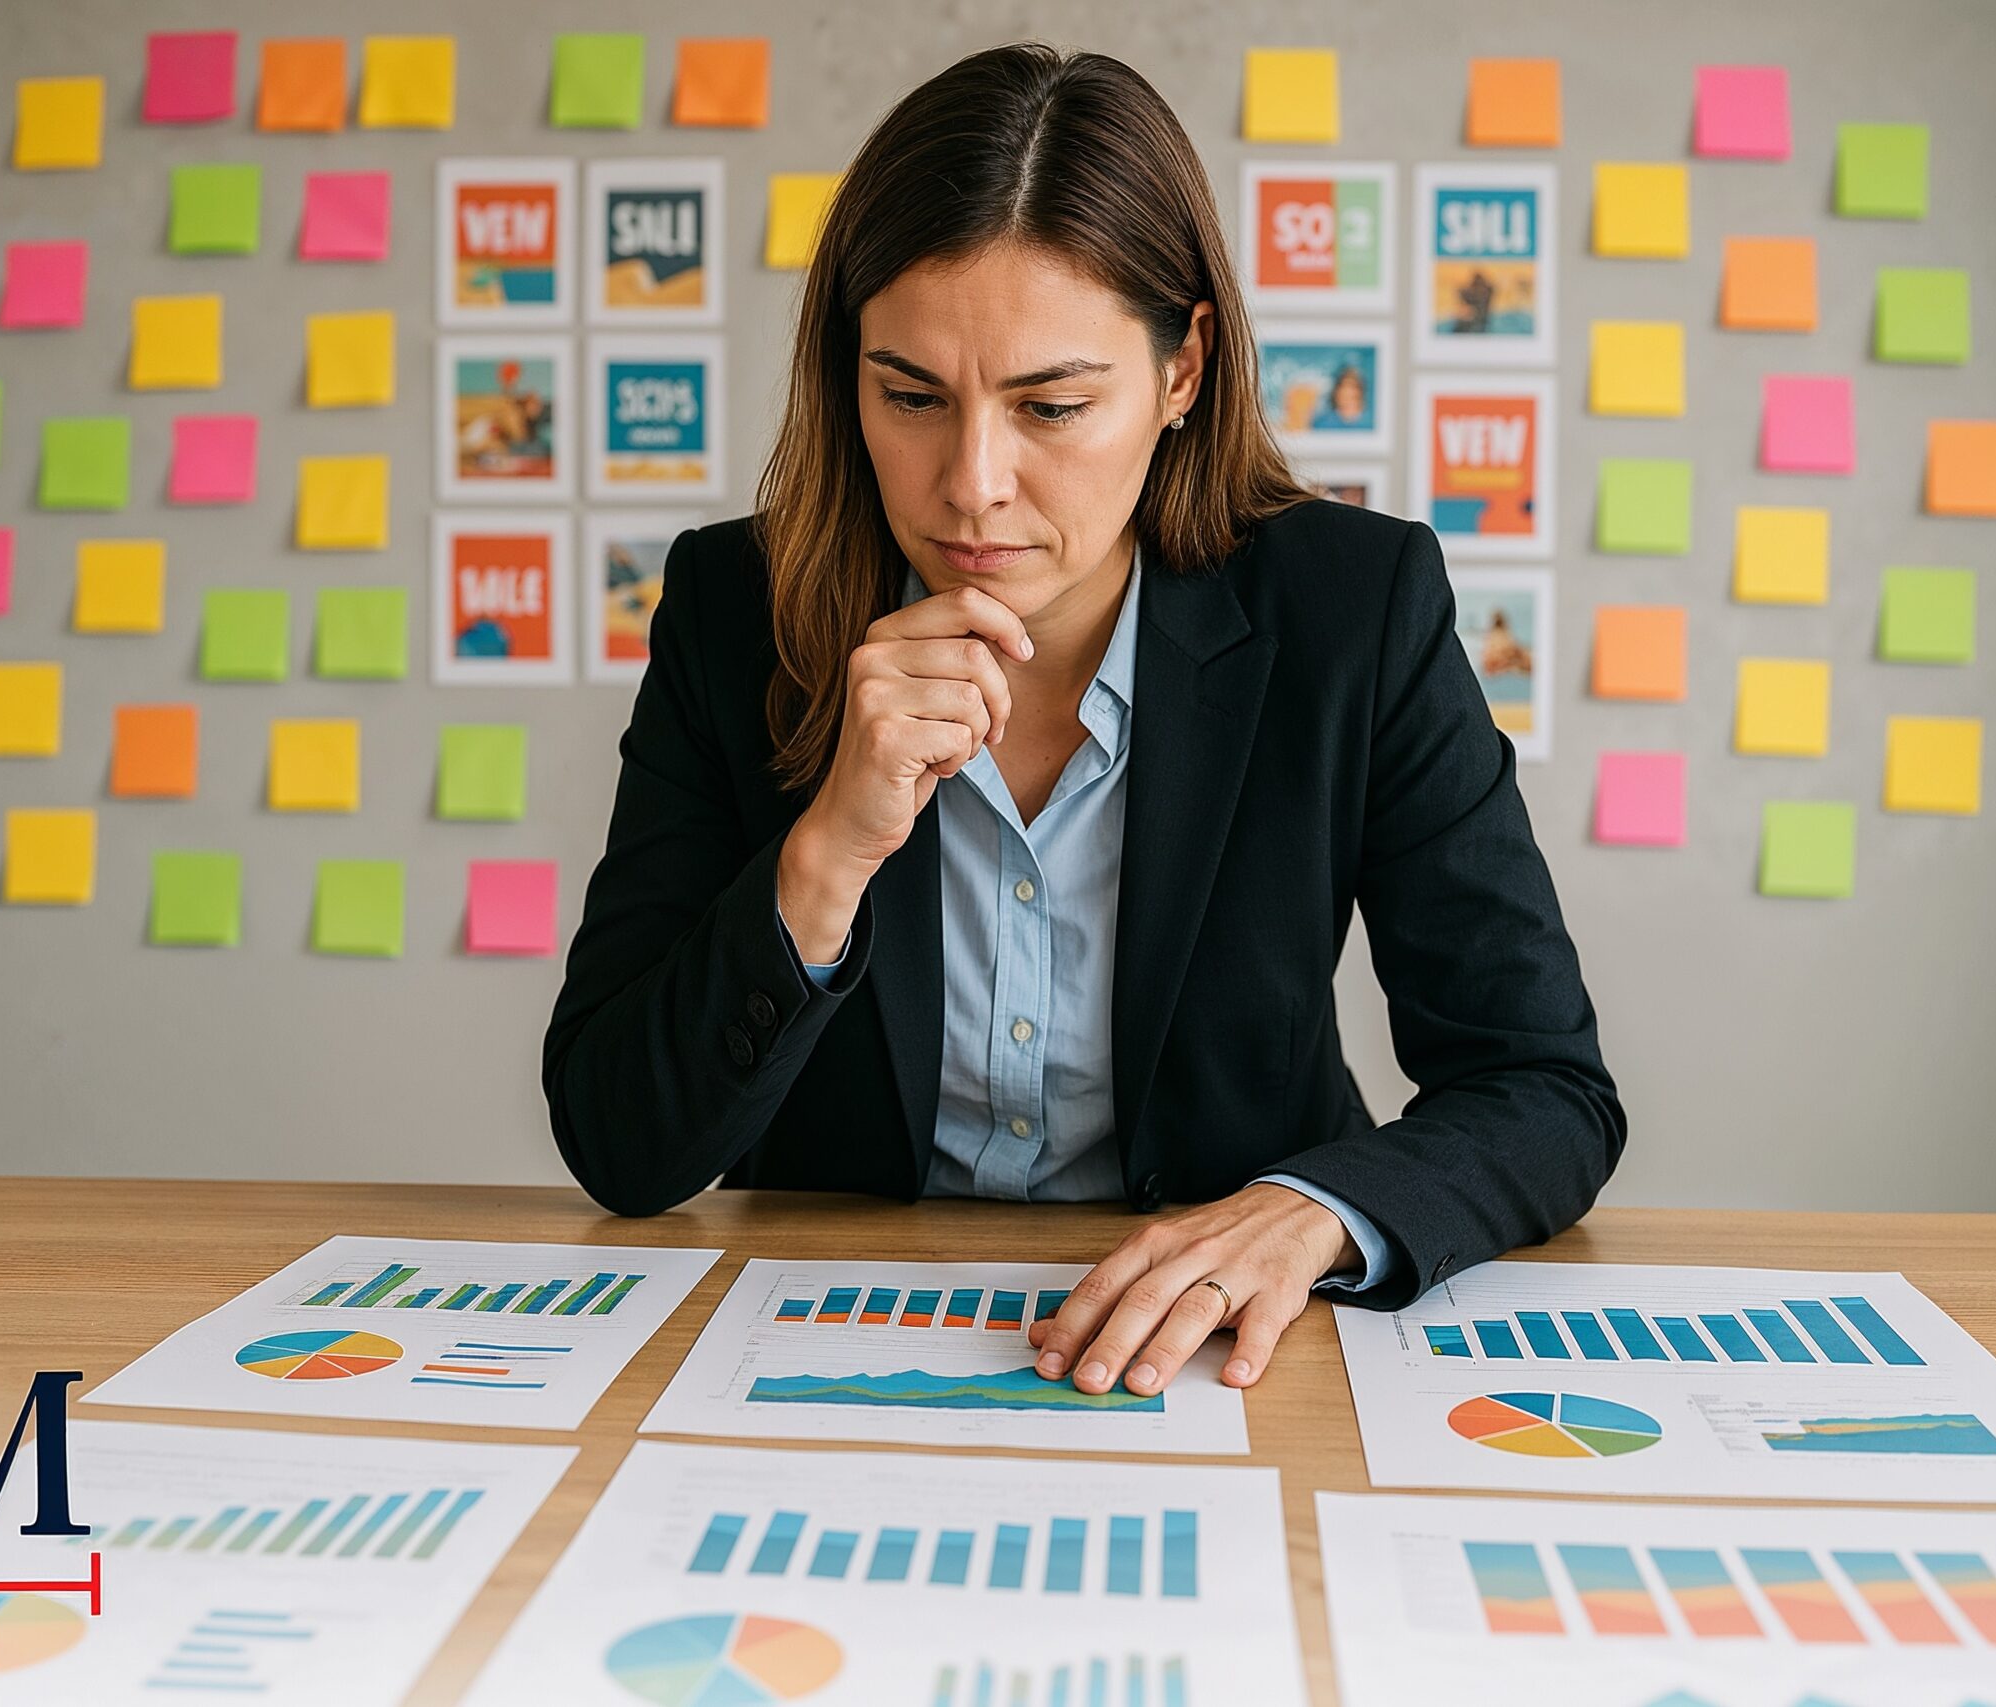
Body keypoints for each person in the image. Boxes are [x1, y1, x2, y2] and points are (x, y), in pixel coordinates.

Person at [545, 43, 1622, 1401]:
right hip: (833, 1344)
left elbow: (1543, 1088)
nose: (971, 485)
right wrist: (828, 851)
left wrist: (1311, 1213)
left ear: (1183, 371)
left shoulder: (1352, 609)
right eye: (909, 396)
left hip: (1226, 1358)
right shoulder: (733, 605)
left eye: (1053, 405)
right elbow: (619, 1145)